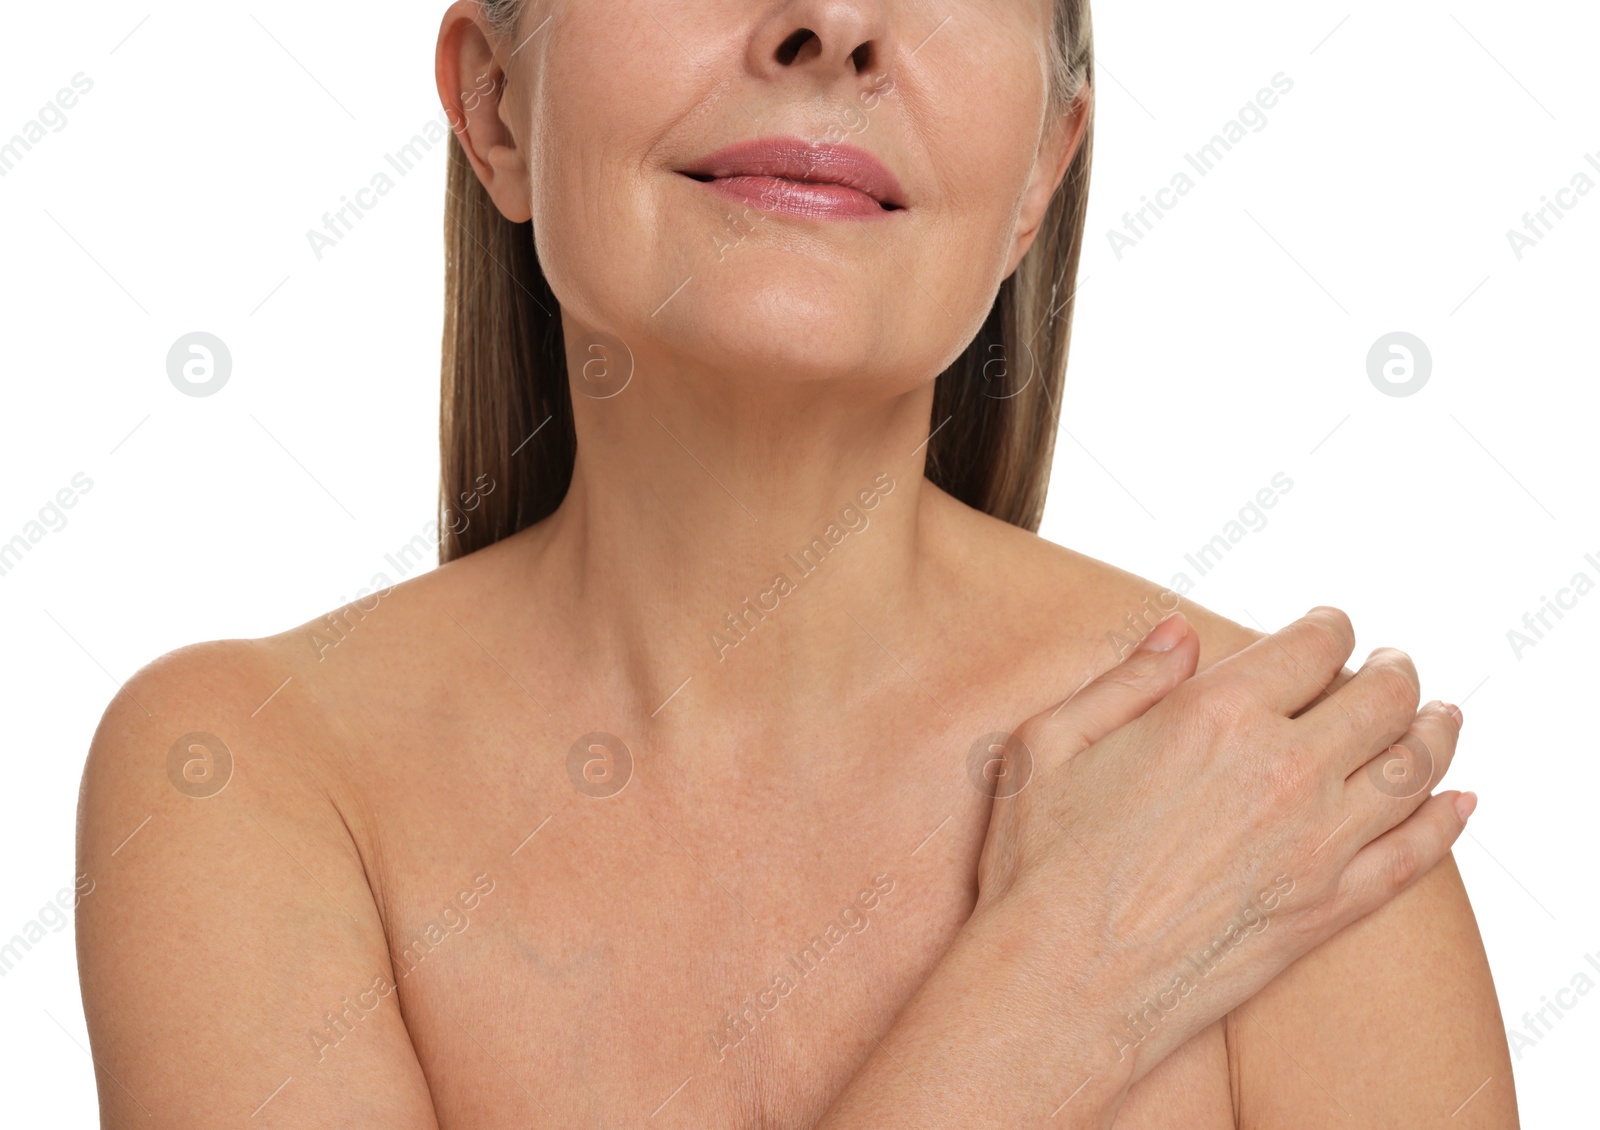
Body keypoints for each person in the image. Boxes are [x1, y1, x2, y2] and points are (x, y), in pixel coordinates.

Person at [75, 1, 1517, 1125]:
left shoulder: (1284, 802)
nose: (831, 21)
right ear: (498, 106)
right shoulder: (244, 773)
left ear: (1041, 172)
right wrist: (1063, 981)